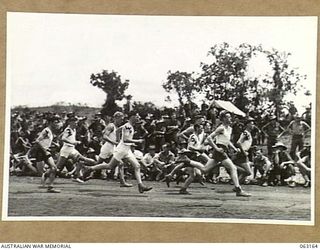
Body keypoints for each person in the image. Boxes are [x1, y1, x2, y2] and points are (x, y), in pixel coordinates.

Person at [177, 111, 251, 197]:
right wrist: (216, 148)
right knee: (233, 168)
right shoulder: (221, 128)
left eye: (230, 117)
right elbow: (209, 138)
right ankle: (238, 190)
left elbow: (227, 141)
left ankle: (188, 162)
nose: (230, 118)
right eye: (228, 117)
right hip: (220, 150)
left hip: (222, 150)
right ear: (223, 119)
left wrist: (234, 148)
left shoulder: (229, 129)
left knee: (205, 170)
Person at [83, 112, 152, 193]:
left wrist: (119, 141)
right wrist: (137, 141)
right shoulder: (127, 126)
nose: (138, 118)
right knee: (109, 166)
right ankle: (90, 168)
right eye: (137, 116)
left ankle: (141, 186)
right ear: (132, 117)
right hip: (121, 150)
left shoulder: (127, 125)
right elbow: (125, 139)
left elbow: (118, 131)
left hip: (126, 149)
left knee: (137, 166)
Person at [55, 116, 97, 182]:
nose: (76, 123)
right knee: (58, 167)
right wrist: (73, 142)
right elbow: (63, 138)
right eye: (75, 122)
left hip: (72, 149)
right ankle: (46, 174)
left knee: (81, 160)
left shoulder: (73, 129)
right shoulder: (68, 130)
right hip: (66, 150)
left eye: (76, 122)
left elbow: (61, 137)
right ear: (70, 122)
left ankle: (77, 176)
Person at [97, 111, 132, 187]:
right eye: (121, 119)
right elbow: (105, 136)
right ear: (116, 118)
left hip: (112, 148)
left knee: (120, 163)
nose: (122, 120)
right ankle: (84, 167)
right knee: (97, 163)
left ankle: (122, 182)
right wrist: (114, 142)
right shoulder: (111, 126)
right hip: (107, 147)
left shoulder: (117, 127)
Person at [29, 115, 61, 193]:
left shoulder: (50, 131)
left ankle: (50, 187)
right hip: (40, 151)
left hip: (46, 151)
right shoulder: (46, 131)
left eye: (57, 122)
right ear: (50, 122)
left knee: (54, 168)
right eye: (55, 122)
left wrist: (54, 143)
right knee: (39, 171)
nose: (57, 124)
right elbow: (37, 141)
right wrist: (44, 150)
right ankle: (44, 174)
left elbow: (45, 140)